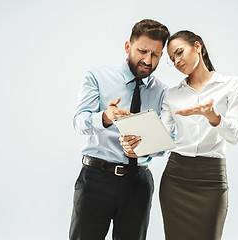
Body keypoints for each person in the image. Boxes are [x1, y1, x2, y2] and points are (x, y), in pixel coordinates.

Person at [69, 19, 170, 240]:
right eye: (142, 51)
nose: (147, 60)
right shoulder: (97, 76)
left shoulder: (163, 92)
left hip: (138, 182)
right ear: (128, 47)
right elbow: (79, 121)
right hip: (96, 179)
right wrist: (105, 117)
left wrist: (144, 149)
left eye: (155, 55)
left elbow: (167, 141)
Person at [159, 30, 238, 240]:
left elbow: (235, 136)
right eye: (172, 59)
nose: (177, 61)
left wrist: (214, 117)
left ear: (197, 46)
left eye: (179, 53)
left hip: (211, 179)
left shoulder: (232, 85)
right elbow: (161, 139)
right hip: (175, 178)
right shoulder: (171, 94)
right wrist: (135, 135)